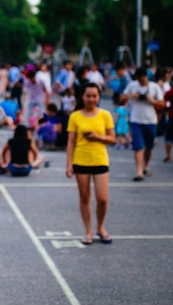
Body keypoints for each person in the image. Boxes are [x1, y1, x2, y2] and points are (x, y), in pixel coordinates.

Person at [66, 83, 115, 245]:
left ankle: (100, 227)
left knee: (102, 199)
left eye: (94, 96)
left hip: (100, 159)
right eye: (88, 96)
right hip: (81, 160)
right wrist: (69, 164)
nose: (91, 99)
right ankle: (88, 230)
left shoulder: (105, 115)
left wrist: (97, 137)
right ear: (82, 96)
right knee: (84, 197)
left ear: (99, 97)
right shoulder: (75, 117)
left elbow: (112, 138)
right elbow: (71, 142)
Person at [120, 67, 164, 181]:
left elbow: (163, 103)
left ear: (146, 77)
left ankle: (146, 165)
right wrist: (132, 96)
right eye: (139, 80)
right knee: (138, 146)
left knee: (149, 146)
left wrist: (152, 101)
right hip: (136, 119)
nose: (141, 82)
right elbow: (121, 97)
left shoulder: (154, 87)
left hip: (151, 120)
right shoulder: (132, 85)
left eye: (143, 79)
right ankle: (139, 171)